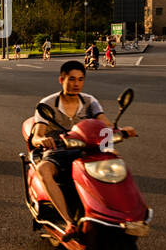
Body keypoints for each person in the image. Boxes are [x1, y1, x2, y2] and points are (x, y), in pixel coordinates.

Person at [28, 60, 136, 240]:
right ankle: (68, 221)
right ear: (61, 79)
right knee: (43, 170)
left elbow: (105, 124)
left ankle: (120, 213)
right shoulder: (47, 103)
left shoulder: (89, 101)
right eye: (71, 79)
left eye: (80, 79)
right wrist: (42, 140)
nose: (76, 84)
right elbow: (37, 135)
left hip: (86, 149)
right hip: (59, 150)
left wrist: (120, 133)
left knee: (116, 165)